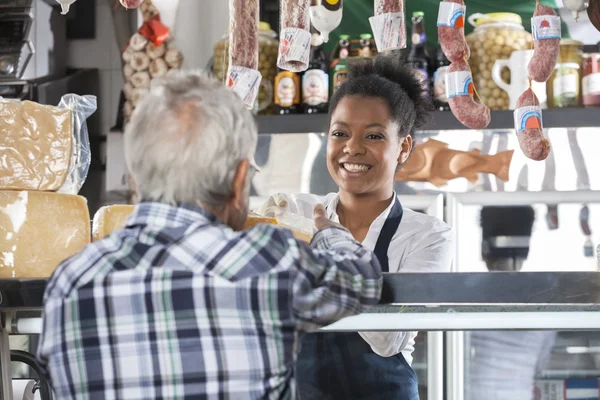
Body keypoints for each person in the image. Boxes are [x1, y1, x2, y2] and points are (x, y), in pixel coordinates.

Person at [36, 70, 385, 399]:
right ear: (238, 181)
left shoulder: (70, 282)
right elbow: (364, 277)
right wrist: (329, 232)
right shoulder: (265, 259)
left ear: (135, 180)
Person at [257, 55, 453, 400]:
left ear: (403, 147)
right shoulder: (296, 210)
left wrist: (327, 240)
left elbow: (385, 336)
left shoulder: (428, 236)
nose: (352, 148)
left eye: (374, 136)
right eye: (340, 133)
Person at [465, 206, 556, 400]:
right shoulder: (545, 304)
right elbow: (541, 367)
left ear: (484, 249)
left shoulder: (467, 294)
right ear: (526, 251)